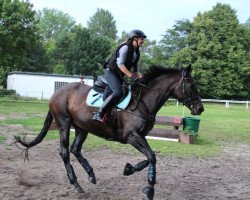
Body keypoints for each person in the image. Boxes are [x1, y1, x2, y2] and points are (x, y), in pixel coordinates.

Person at [92, 29, 147, 123]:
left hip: (119, 75)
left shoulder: (136, 52)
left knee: (129, 91)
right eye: (141, 39)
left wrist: (143, 79)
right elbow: (120, 65)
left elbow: (136, 71)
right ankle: (99, 114)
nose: (143, 41)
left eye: (143, 39)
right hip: (111, 72)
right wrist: (131, 76)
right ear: (135, 39)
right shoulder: (125, 48)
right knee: (118, 93)